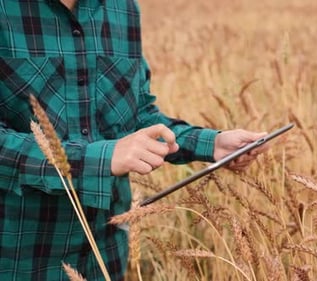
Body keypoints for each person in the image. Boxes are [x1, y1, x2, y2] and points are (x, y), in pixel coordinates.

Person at [0, 0, 267, 279]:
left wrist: (211, 143)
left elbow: (136, 114)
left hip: (106, 255)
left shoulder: (122, 9)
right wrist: (101, 159)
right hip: (20, 257)